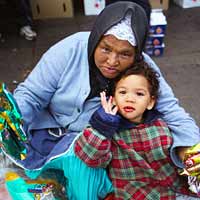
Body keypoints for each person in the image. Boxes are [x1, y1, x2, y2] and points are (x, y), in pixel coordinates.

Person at [6, 0, 199, 198]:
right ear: (95, 39)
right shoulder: (70, 49)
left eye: (125, 54)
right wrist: (10, 129)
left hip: (92, 146)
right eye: (106, 49)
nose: (112, 61)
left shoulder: (143, 69)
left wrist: (193, 153)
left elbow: (173, 112)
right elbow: (31, 96)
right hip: (46, 134)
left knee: (85, 168)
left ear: (137, 54)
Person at [74, 61, 199, 199]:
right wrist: (102, 126)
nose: (130, 99)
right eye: (122, 92)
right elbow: (90, 158)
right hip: (131, 195)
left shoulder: (161, 124)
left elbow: (178, 160)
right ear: (113, 99)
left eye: (139, 94)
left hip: (173, 192)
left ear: (150, 102)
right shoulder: (108, 130)